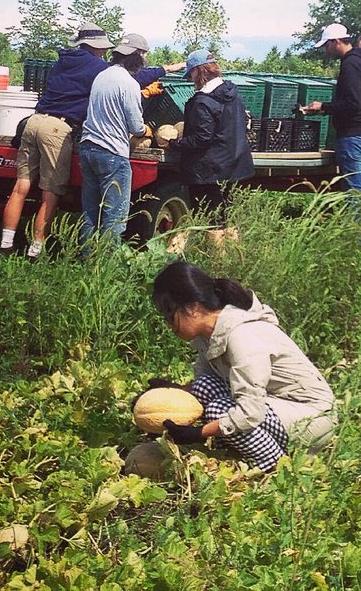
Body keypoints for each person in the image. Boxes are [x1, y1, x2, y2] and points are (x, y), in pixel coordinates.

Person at [147, 261, 336, 472]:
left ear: (192, 307)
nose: (168, 324)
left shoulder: (242, 336)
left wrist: (199, 433)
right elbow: (205, 386)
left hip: (313, 419)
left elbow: (250, 412)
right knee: (203, 387)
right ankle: (243, 451)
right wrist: (171, 392)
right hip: (277, 406)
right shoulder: (208, 337)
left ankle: (276, 468)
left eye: (169, 314)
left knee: (218, 411)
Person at [0, 20, 113, 258]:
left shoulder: (63, 61)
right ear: (95, 46)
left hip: (34, 121)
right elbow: (124, 79)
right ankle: (36, 250)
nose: (104, 51)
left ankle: (5, 245)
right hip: (57, 128)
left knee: (21, 186)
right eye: (103, 47)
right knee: (50, 191)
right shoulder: (98, 67)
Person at [168, 50, 255, 247]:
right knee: (228, 218)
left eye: (191, 74)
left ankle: (216, 262)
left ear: (199, 72)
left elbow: (201, 139)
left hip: (209, 171)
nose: (191, 80)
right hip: (234, 166)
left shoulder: (202, 102)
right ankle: (233, 258)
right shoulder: (232, 93)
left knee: (211, 221)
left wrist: (174, 144)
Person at [79, 33, 153, 245]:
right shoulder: (129, 83)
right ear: (136, 55)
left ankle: (86, 256)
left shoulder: (102, 76)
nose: (145, 60)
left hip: (88, 148)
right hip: (112, 153)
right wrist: (147, 130)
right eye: (144, 55)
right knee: (114, 217)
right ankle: (107, 261)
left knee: (90, 212)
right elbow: (136, 127)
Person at [298, 23, 361, 210]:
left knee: (354, 194)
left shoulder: (350, 64)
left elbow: (352, 103)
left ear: (336, 42)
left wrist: (323, 106)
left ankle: (356, 229)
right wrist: (325, 108)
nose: (326, 50)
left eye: (327, 45)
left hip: (354, 136)